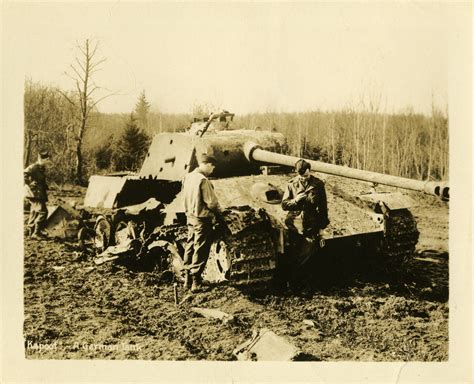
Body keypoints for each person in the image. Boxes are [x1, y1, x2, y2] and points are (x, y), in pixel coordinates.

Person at [281, 159, 329, 284]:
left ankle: (302, 282)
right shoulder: (291, 184)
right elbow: (284, 205)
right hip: (294, 224)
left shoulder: (318, 184)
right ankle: (292, 283)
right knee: (293, 254)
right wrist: (296, 200)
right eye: (300, 174)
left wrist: (322, 230)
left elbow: (323, 208)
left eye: (305, 173)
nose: (303, 177)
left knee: (307, 254)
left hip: (311, 224)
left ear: (309, 170)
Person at [182, 153, 221, 292]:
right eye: (212, 166)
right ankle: (196, 282)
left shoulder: (188, 177)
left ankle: (187, 279)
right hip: (202, 219)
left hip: (190, 216)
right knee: (201, 248)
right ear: (207, 164)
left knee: (190, 245)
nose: (213, 170)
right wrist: (219, 215)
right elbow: (212, 203)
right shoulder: (202, 180)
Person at [24, 150, 51, 239]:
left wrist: (45, 186)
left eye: (48, 159)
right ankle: (36, 232)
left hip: (39, 193)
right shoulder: (34, 167)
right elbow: (24, 174)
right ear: (41, 159)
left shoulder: (40, 168)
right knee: (43, 212)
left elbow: (40, 180)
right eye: (46, 160)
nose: (48, 161)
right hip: (34, 194)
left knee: (34, 211)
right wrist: (29, 184)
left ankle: (29, 231)